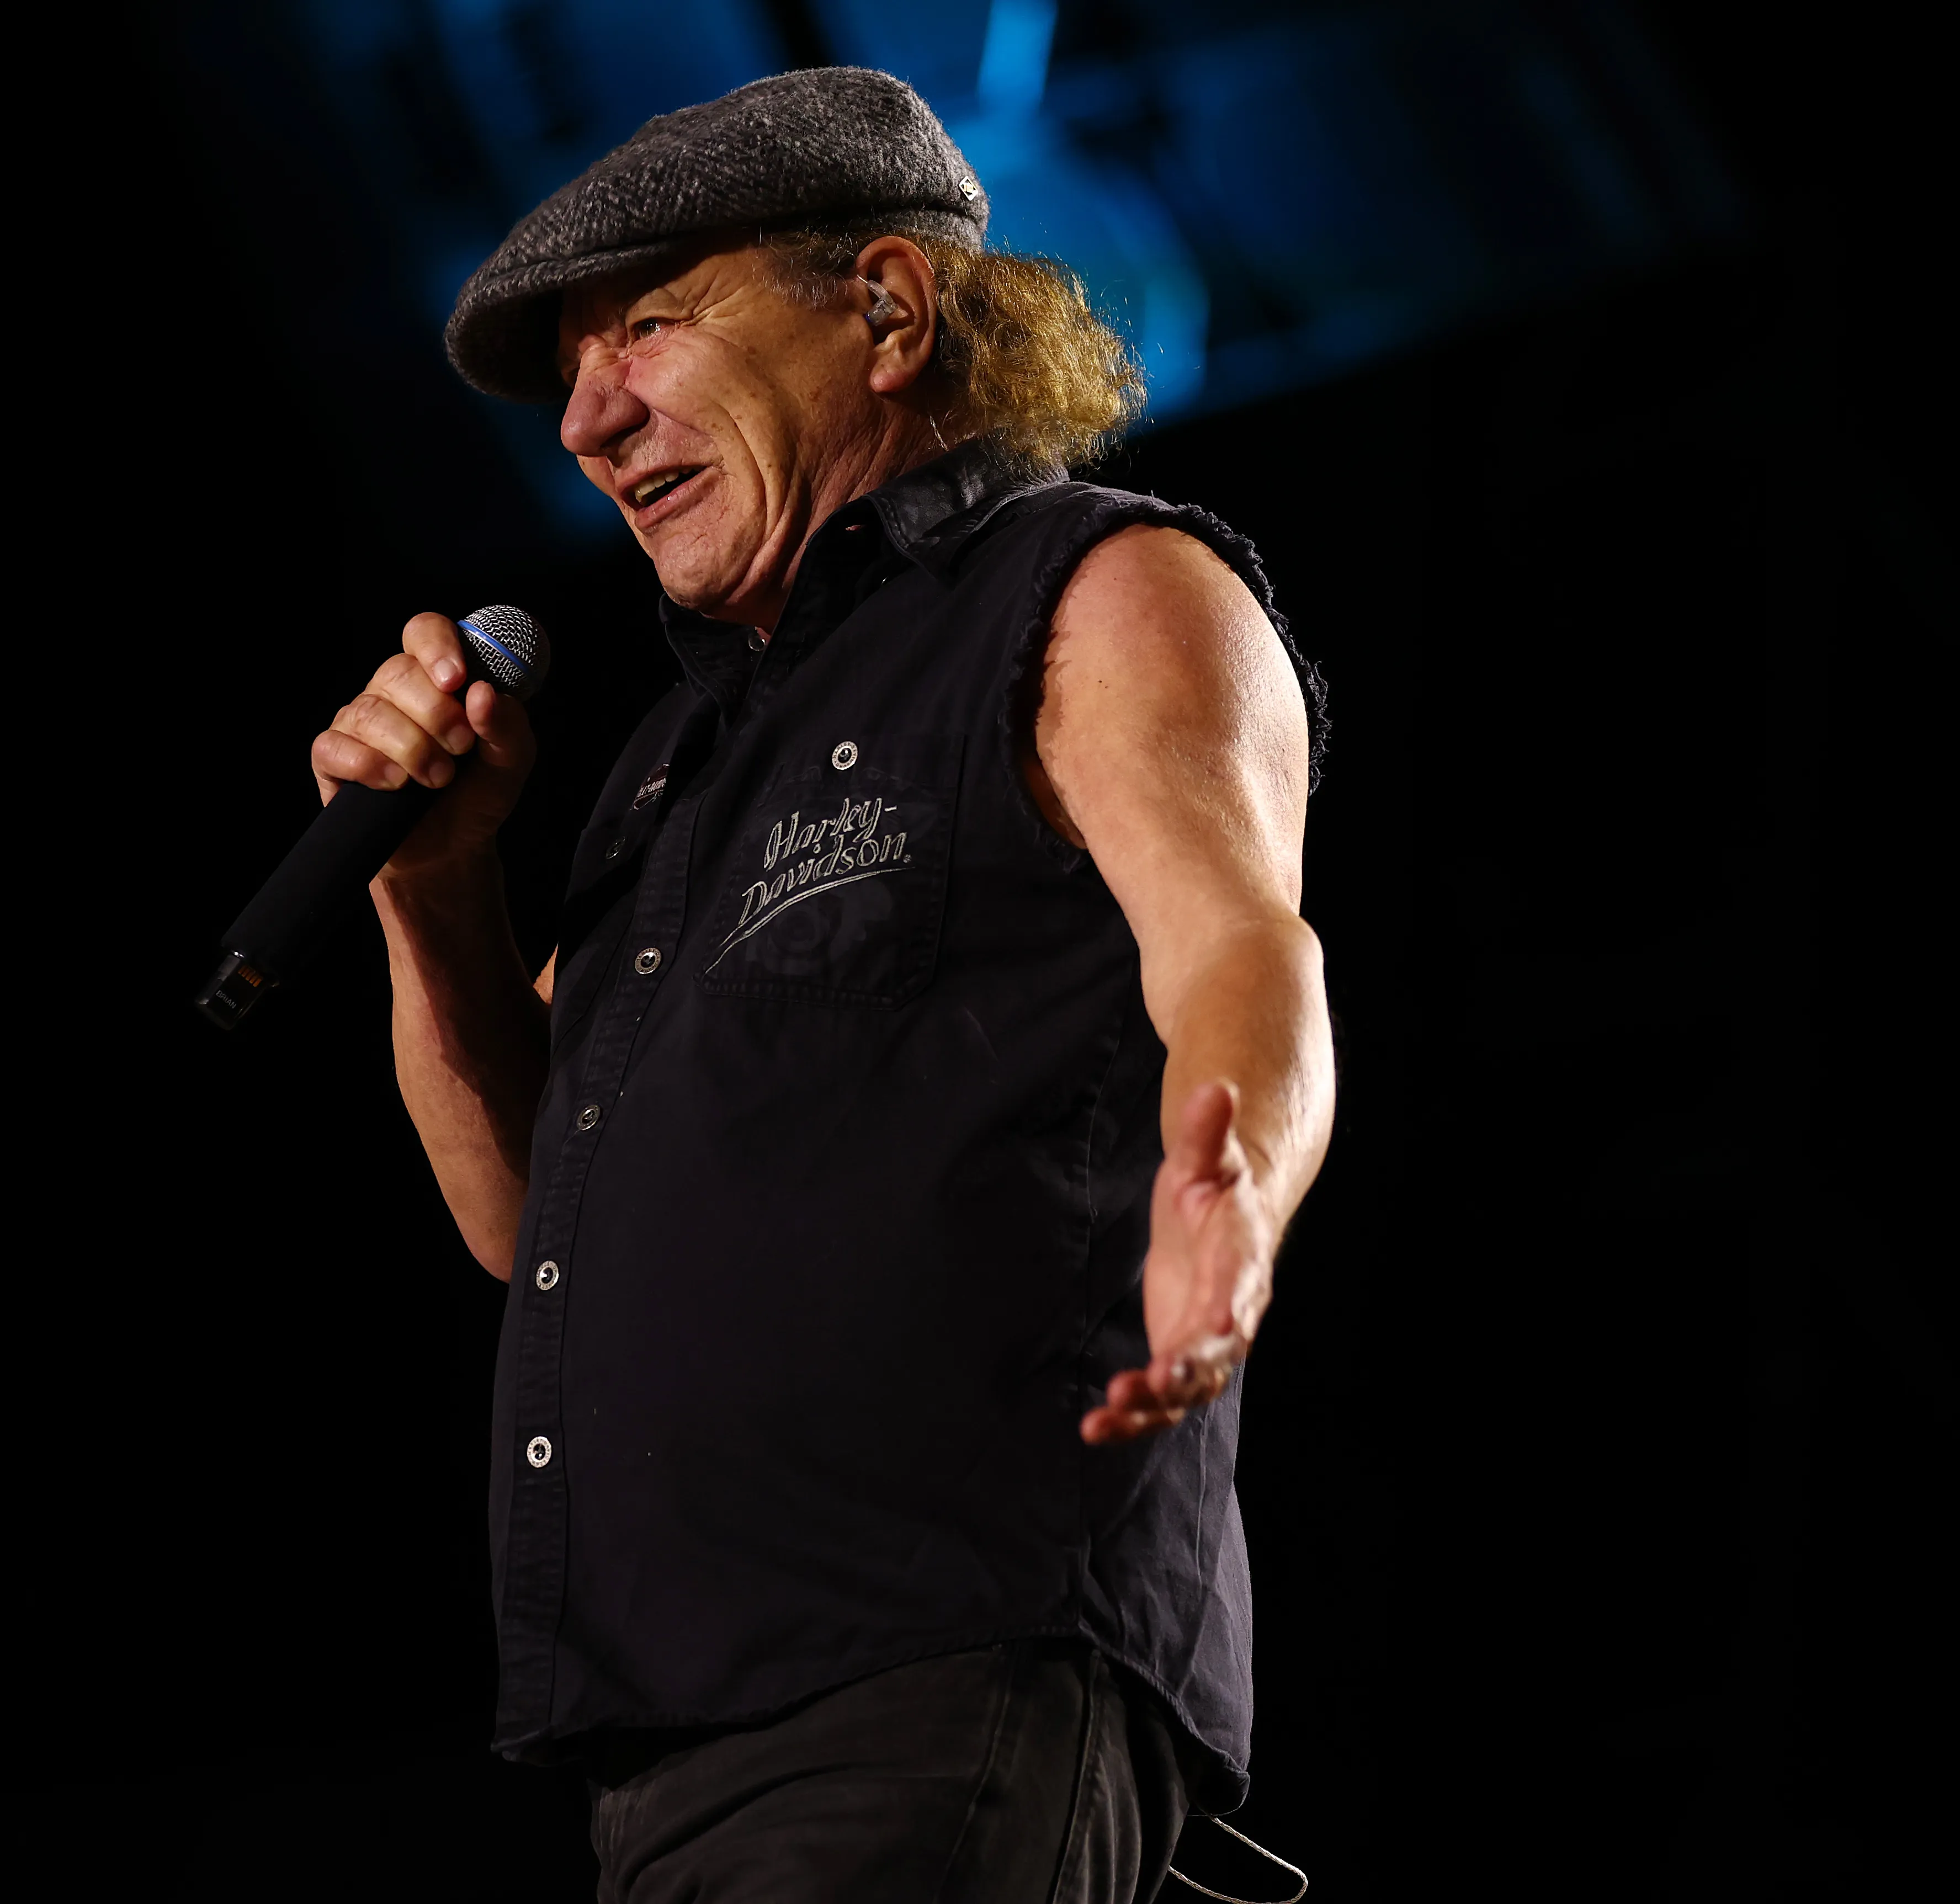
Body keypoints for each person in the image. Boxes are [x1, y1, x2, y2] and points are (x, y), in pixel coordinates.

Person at [310, 68, 1332, 1904]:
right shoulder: (675, 768)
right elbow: (527, 1216)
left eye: (649, 324)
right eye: (566, 376)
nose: (588, 416)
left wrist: (1231, 1179)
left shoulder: (1093, 586)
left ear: (884, 307)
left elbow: (1243, 943)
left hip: (936, 1662)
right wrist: (434, 896)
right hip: (670, 1743)